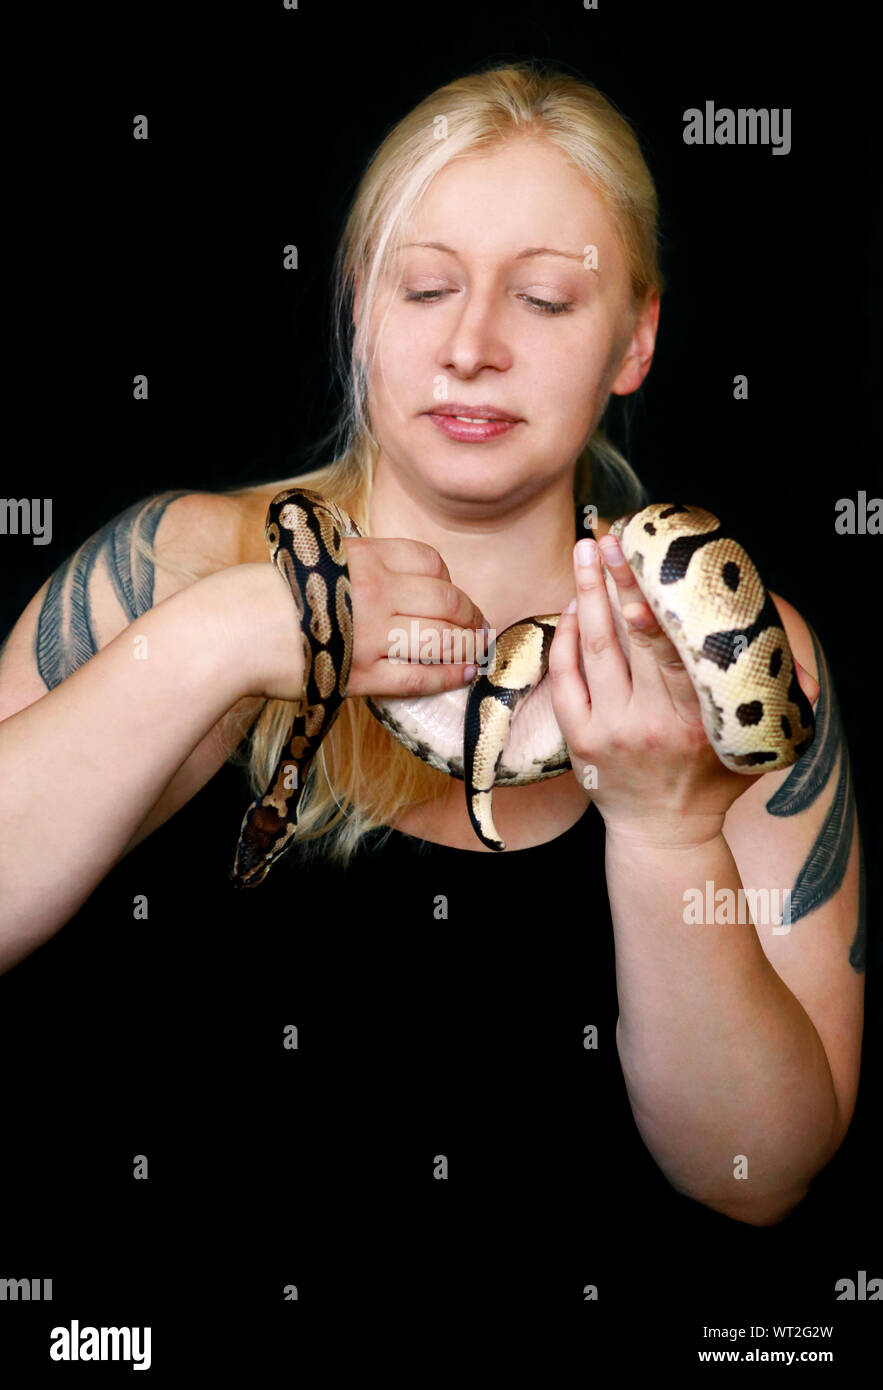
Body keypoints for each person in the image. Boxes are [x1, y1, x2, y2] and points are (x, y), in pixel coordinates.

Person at [0, 63, 863, 1234]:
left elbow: (755, 1174)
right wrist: (225, 635)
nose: (472, 346)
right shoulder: (175, 565)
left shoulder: (724, 651)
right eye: (424, 289)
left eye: (546, 300)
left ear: (636, 339)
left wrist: (670, 834)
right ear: (358, 305)